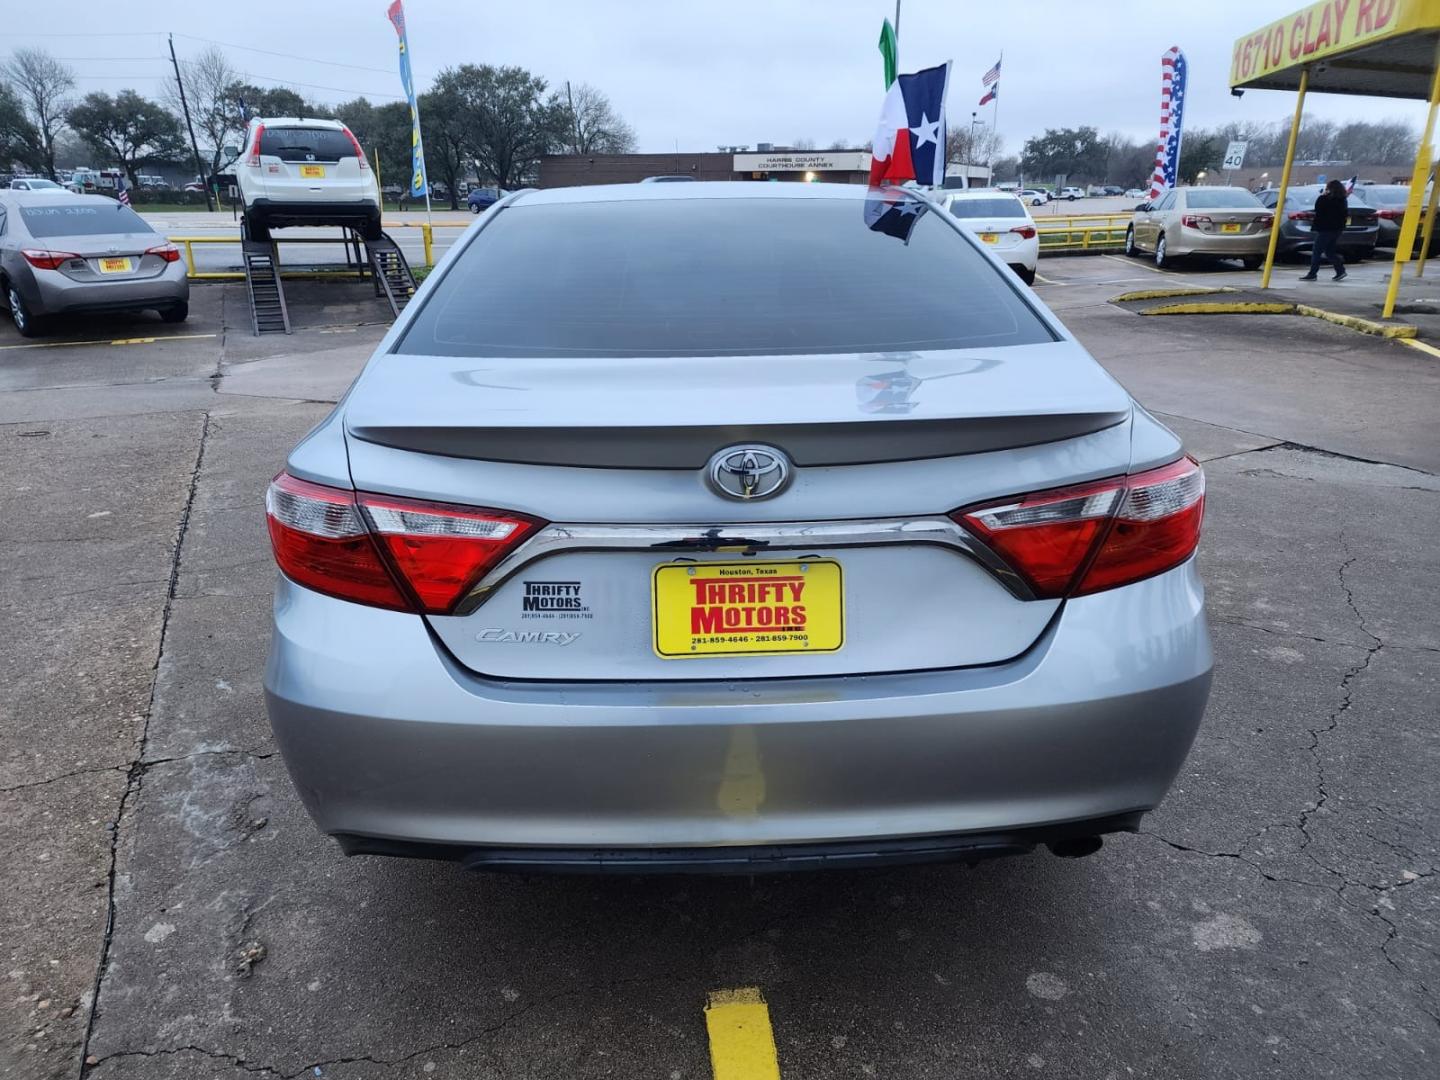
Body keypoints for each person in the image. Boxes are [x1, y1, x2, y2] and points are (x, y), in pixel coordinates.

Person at [1301, 179, 1349, 282]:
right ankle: (1340, 270)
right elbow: (1344, 214)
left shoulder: (1323, 199)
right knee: (1329, 251)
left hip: (1325, 229)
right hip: (1337, 229)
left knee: (1317, 251)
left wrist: (1323, 195)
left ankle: (1312, 273)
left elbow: (1318, 210)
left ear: (1329, 189)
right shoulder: (1343, 200)